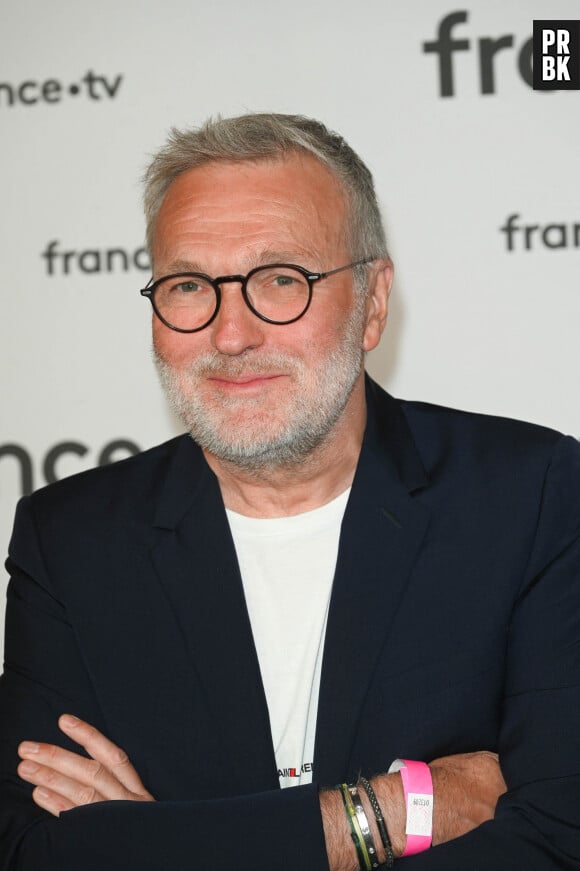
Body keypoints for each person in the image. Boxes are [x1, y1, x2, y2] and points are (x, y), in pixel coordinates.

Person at [0, 113, 579, 870]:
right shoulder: (72, 541)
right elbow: (36, 853)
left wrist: (162, 839)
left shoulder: (528, 496)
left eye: (282, 280)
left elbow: (558, 838)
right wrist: (380, 814)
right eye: (188, 285)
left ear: (372, 302)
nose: (231, 334)